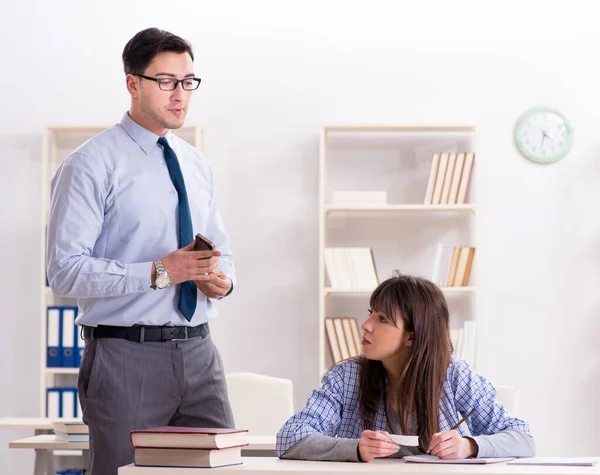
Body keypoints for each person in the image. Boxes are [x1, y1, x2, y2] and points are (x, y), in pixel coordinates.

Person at [46, 28, 236, 475]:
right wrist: (159, 272)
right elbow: (65, 272)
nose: (180, 95)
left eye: (188, 82)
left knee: (222, 470)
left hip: (200, 353)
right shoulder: (90, 164)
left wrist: (220, 281)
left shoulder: (196, 164)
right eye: (166, 81)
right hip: (125, 356)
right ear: (133, 83)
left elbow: (221, 252)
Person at [276, 273, 535, 462]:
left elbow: (523, 438)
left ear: (412, 336)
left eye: (382, 319)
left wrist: (469, 446)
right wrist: (355, 448)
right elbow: (290, 438)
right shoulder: (347, 377)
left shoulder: (454, 376)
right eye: (370, 313)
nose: (365, 324)